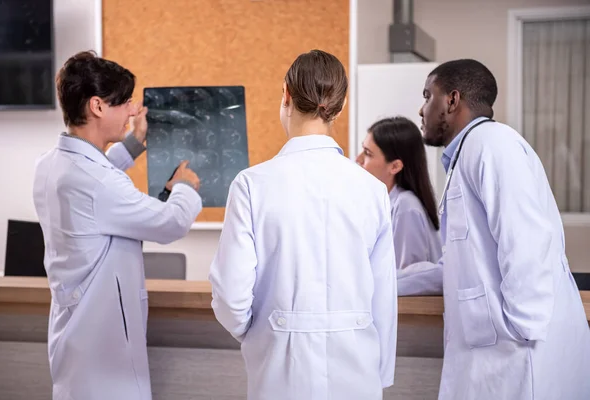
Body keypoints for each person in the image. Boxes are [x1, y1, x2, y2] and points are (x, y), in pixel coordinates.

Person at [209, 50, 397, 400]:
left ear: (286, 96)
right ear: (339, 108)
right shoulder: (373, 190)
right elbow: (383, 296)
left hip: (280, 371)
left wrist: (265, 333)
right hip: (358, 374)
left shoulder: (252, 184)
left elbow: (230, 296)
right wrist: (381, 371)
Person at [33, 51, 203, 400]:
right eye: (124, 102)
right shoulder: (98, 183)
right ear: (97, 106)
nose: (131, 110)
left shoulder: (50, 165)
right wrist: (185, 187)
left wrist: (133, 143)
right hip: (103, 357)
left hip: (76, 342)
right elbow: (171, 223)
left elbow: (96, 182)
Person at [417, 58, 590, 400]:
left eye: (427, 96)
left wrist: (520, 331)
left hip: (519, 353)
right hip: (495, 352)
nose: (421, 109)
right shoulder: (471, 152)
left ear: (452, 100)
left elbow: (526, 244)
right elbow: (459, 264)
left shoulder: (493, 146)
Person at [356, 116, 442, 295]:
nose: (359, 159)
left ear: (395, 166)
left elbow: (408, 282)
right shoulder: (388, 202)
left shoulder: (406, 206)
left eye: (368, 153)